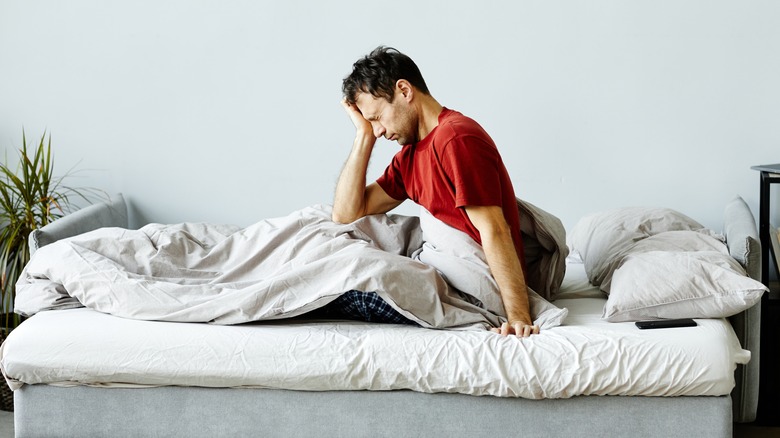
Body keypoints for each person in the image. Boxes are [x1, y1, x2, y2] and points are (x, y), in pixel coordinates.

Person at [331, 46, 538, 338]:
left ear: (404, 90)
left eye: (376, 118)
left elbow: (495, 229)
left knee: (350, 275)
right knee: (329, 236)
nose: (377, 131)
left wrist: (518, 315)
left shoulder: (456, 138)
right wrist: (362, 137)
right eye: (370, 124)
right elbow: (346, 213)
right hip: (439, 271)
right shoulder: (410, 157)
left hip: (473, 283)